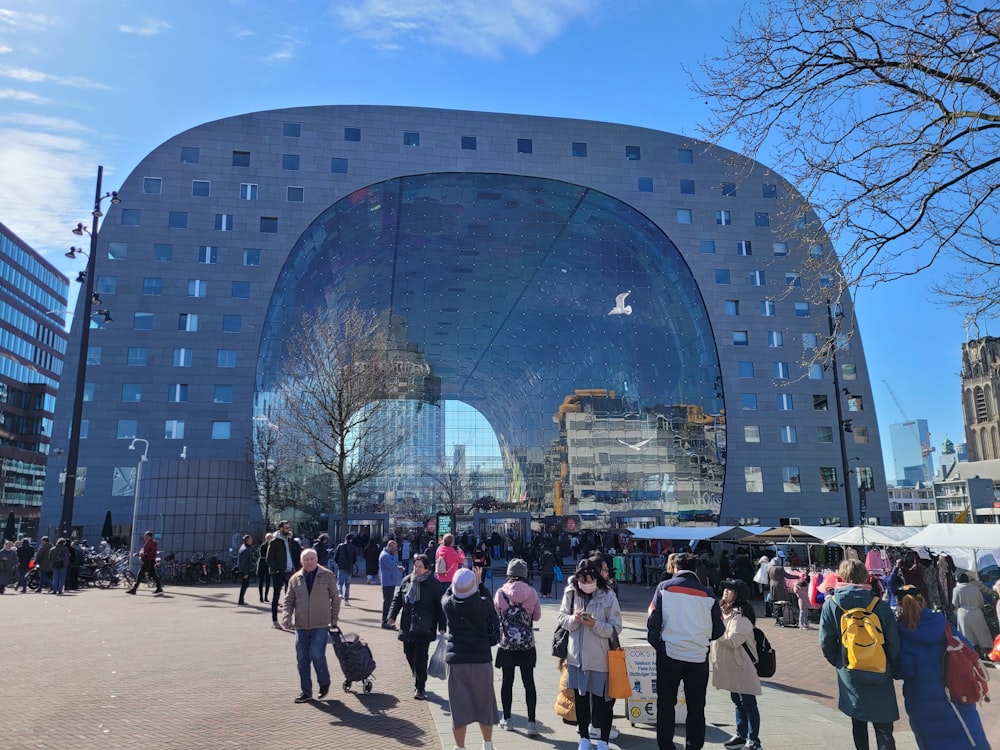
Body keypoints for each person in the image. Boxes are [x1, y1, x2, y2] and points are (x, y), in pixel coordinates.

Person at [895, 585, 991, 749]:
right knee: (969, 738)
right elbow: (967, 650)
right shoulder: (942, 623)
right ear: (922, 600)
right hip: (956, 692)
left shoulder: (903, 632)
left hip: (923, 703)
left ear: (899, 605)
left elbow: (905, 669)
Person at [646, 551, 724, 750]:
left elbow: (653, 622)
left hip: (670, 654)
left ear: (675, 568)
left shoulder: (664, 588)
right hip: (697, 656)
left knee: (665, 704)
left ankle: (666, 745)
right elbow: (719, 628)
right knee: (696, 707)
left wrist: (661, 646)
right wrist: (701, 639)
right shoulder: (708, 594)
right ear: (696, 569)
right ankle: (693, 746)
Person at [819, 559, 900, 750]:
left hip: (850, 669)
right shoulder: (878, 605)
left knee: (858, 721)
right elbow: (894, 641)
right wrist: (889, 663)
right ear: (865, 576)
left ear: (841, 576)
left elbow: (826, 642)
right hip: (880, 667)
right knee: (884, 726)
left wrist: (839, 662)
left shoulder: (831, 605)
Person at [559, 558, 623, 750]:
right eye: (582, 581)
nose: (586, 585)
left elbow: (615, 627)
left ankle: (603, 740)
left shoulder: (608, 596)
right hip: (576, 658)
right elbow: (562, 618)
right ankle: (584, 738)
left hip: (600, 657)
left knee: (603, 701)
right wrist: (574, 619)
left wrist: (595, 625)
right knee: (581, 700)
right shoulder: (570, 593)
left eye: (589, 580)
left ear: (596, 578)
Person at [442, 566, 499, 750]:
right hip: (481, 659)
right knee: (485, 704)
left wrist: (456, 583)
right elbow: (489, 603)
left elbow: (448, 592)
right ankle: (487, 744)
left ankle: (460, 747)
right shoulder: (483, 605)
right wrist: (479, 584)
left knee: (458, 707)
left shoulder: (448, 604)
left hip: (456, 660)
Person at [280, 547, 341, 703]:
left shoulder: (327, 575)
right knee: (302, 659)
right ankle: (306, 691)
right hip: (300, 625)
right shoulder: (295, 579)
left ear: (316, 560)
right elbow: (288, 601)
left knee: (316, 654)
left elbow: (335, 598)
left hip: (320, 624)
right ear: (301, 561)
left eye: (312, 559)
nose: (309, 562)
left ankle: (324, 682)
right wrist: (286, 616)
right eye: (306, 560)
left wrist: (334, 620)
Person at [712, 579, 763, 750]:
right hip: (732, 665)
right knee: (738, 700)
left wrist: (714, 630)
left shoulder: (740, 616)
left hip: (743, 666)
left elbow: (732, 640)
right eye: (725, 588)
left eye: (731, 590)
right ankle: (741, 735)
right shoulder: (725, 611)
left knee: (748, 702)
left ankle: (754, 739)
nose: (726, 591)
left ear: (739, 595)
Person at [387, 553, 446, 699]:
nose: (417, 569)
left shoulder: (434, 584)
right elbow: (397, 599)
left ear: (427, 568)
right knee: (408, 652)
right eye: (415, 566)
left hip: (425, 626)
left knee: (420, 656)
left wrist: (442, 625)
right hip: (408, 623)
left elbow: (440, 606)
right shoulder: (407, 580)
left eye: (420, 566)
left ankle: (420, 686)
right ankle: (417, 673)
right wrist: (392, 616)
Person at [494, 558, 542, 736]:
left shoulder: (501, 592)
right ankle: (531, 723)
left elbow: (497, 612)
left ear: (509, 573)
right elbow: (536, 617)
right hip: (527, 644)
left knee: (507, 682)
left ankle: (507, 719)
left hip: (507, 643)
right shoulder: (532, 592)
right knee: (529, 682)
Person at [266, 520, 302, 628]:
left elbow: (295, 554)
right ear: (281, 528)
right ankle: (275, 621)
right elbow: (269, 558)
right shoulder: (274, 542)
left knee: (292, 597)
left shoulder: (290, 541)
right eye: (286, 528)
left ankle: (289, 619)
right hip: (279, 573)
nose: (288, 530)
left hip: (290, 571)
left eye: (289, 528)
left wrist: (296, 566)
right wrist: (276, 570)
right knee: (276, 596)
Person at [952, 573, 993, 658]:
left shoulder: (957, 589)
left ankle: (974, 654)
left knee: (968, 636)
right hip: (976, 612)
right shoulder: (975, 588)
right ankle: (986, 652)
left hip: (963, 613)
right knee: (982, 634)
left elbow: (955, 603)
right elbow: (981, 601)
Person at [378, 539, 404, 629]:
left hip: (390, 580)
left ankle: (387, 621)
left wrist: (397, 568)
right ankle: (385, 621)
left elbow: (391, 566)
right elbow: (391, 565)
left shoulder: (388, 555)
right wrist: (396, 556)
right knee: (388, 602)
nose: (396, 550)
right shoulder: (385, 555)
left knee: (389, 602)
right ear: (391, 547)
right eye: (395, 548)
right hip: (388, 581)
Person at [332, 533, 358, 605]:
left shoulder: (340, 546)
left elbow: (336, 557)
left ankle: (340, 594)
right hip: (349, 568)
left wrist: (338, 563)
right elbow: (355, 559)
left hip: (341, 567)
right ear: (351, 539)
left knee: (340, 583)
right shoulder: (353, 547)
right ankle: (346, 600)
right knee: (347, 584)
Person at [236, 535, 254, 606]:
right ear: (246, 541)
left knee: (245, 585)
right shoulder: (246, 549)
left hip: (244, 570)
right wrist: (245, 573)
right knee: (244, 585)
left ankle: (241, 599)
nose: (251, 541)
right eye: (250, 540)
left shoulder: (244, 547)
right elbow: (244, 562)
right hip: (245, 571)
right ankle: (241, 600)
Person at [257, 532, 273, 603]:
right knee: (261, 581)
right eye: (268, 538)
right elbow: (263, 555)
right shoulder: (263, 545)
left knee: (268, 581)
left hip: (268, 565)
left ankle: (266, 597)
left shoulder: (273, 545)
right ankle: (261, 596)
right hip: (263, 563)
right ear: (266, 538)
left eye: (271, 538)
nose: (269, 539)